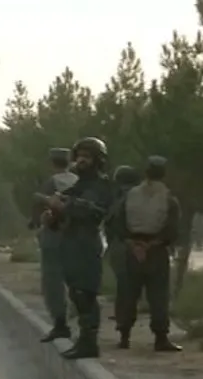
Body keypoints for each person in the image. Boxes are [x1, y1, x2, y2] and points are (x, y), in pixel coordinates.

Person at [39, 137, 116, 360]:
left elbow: (94, 212)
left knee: (86, 294)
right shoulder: (79, 185)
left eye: (87, 157)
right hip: (70, 245)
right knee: (76, 293)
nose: (81, 161)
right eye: (79, 156)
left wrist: (66, 205)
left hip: (87, 245)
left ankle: (89, 342)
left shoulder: (102, 186)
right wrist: (52, 215)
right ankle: (84, 340)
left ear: (98, 160)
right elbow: (65, 208)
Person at [112, 156, 182, 352]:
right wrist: (151, 245)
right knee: (158, 295)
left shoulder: (130, 195)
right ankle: (161, 338)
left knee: (127, 292)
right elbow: (172, 228)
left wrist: (134, 245)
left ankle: (124, 336)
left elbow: (118, 222)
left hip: (132, 248)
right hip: (156, 250)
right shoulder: (168, 197)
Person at [32, 148, 78, 342]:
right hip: (77, 239)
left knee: (53, 283)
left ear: (52, 163)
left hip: (54, 238)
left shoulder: (50, 183)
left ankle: (60, 324)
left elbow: (38, 212)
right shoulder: (78, 181)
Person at [104, 164, 142, 326]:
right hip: (141, 245)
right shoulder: (141, 197)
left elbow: (111, 225)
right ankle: (126, 318)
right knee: (134, 286)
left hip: (122, 246)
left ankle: (123, 321)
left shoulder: (118, 198)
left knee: (124, 286)